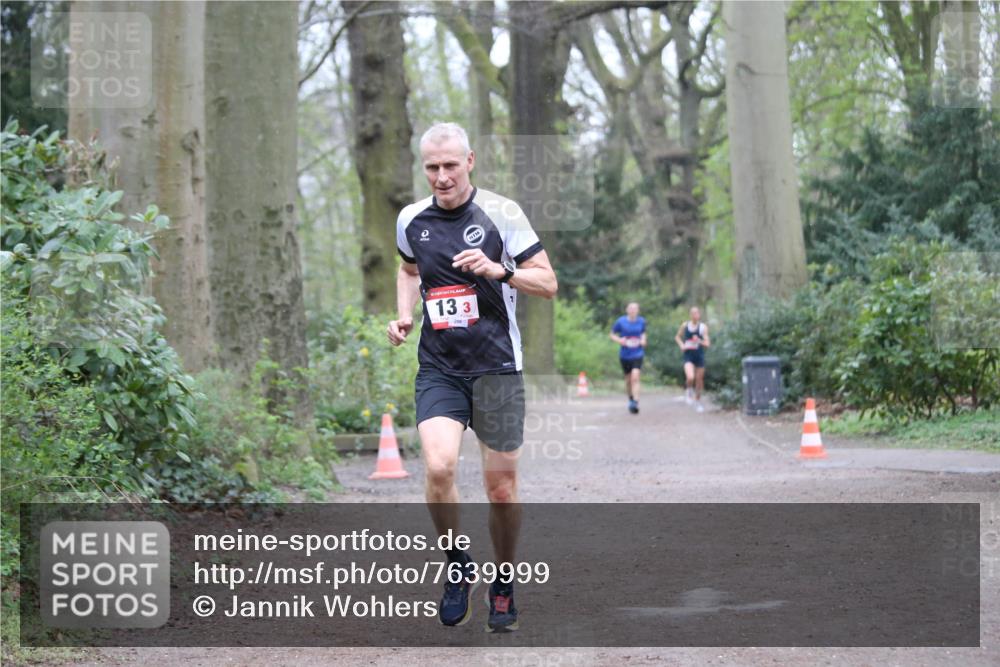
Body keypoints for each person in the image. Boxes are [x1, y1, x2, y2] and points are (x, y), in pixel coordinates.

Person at [386, 122, 557, 633]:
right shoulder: (410, 219)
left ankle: (503, 581)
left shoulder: (503, 215)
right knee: (439, 468)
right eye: (432, 168)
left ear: (470, 161)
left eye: (450, 166)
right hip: (440, 367)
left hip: (498, 368)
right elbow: (409, 270)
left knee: (501, 489)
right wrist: (403, 314)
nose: (441, 177)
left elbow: (547, 283)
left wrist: (497, 270)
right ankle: (458, 565)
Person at [610, 302, 647, 414]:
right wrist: (619, 340)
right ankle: (631, 398)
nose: (633, 310)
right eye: (630, 308)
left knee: (635, 377)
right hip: (625, 355)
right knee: (628, 380)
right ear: (627, 310)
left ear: (638, 310)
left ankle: (635, 402)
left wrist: (644, 340)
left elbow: (643, 333)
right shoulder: (621, 321)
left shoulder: (641, 321)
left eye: (635, 308)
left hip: (638, 353)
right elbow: (612, 334)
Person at [675, 307, 710, 412]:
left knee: (699, 380)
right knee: (690, 377)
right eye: (692, 313)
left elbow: (707, 344)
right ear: (690, 315)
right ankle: (689, 391)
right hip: (688, 355)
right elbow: (677, 337)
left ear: (699, 315)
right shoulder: (685, 325)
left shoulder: (703, 327)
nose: (694, 315)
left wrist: (699, 340)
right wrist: (681, 345)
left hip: (699, 356)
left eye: (696, 313)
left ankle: (698, 402)